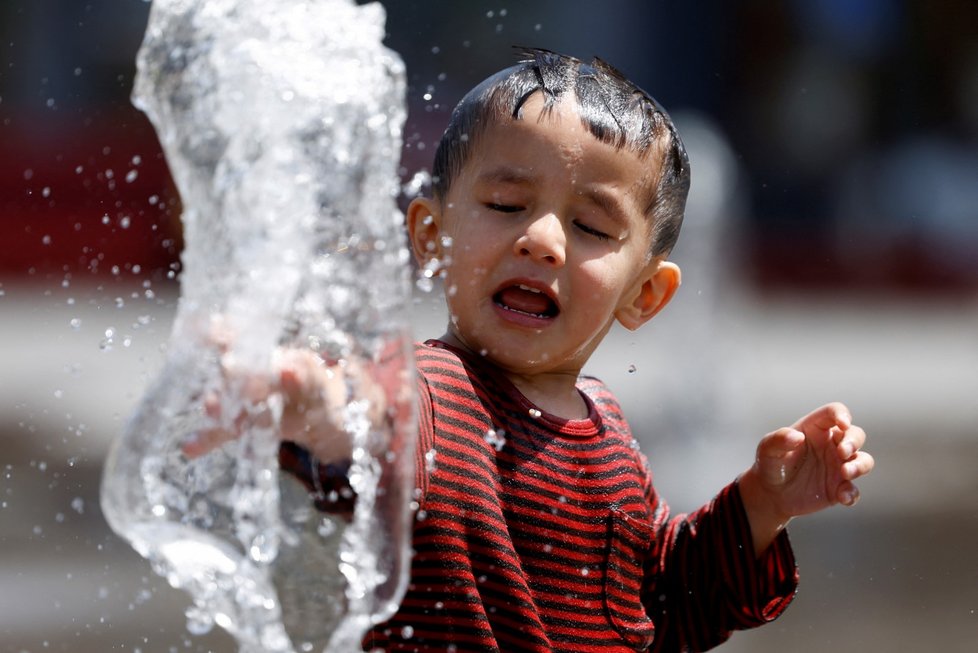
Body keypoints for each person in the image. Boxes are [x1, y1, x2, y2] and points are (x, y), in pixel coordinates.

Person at [188, 48, 874, 652]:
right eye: (507, 204)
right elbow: (372, 427)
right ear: (430, 233)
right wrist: (312, 401)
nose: (542, 237)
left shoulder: (608, 434)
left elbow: (666, 607)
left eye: (589, 225)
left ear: (644, 294)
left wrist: (761, 504)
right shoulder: (431, 389)